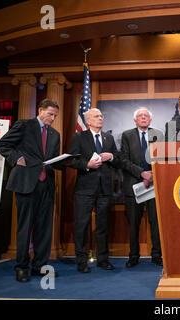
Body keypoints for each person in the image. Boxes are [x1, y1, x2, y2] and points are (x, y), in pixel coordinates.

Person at [0, 99, 63, 282]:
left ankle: (40, 266)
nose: (53, 118)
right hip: (26, 183)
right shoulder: (24, 125)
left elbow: (52, 159)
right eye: (50, 114)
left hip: (46, 186)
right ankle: (22, 267)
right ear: (40, 110)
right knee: (25, 228)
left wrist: (65, 161)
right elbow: (2, 145)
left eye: (55, 115)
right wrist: (16, 158)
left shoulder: (55, 134)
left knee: (44, 229)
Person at [68, 108, 119, 273]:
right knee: (81, 226)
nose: (100, 118)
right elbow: (71, 160)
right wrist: (87, 165)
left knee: (103, 226)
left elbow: (117, 158)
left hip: (105, 189)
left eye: (101, 116)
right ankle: (81, 261)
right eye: (97, 116)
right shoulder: (79, 137)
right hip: (85, 189)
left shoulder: (108, 137)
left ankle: (103, 259)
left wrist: (110, 157)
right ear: (88, 121)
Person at [121, 107, 163, 268]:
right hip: (133, 185)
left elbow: (163, 158)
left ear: (150, 120)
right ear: (135, 120)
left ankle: (157, 255)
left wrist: (152, 174)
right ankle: (133, 255)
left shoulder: (158, 135)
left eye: (146, 116)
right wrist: (142, 174)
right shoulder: (127, 135)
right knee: (133, 223)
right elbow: (123, 160)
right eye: (140, 116)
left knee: (156, 222)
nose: (143, 118)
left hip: (155, 185)